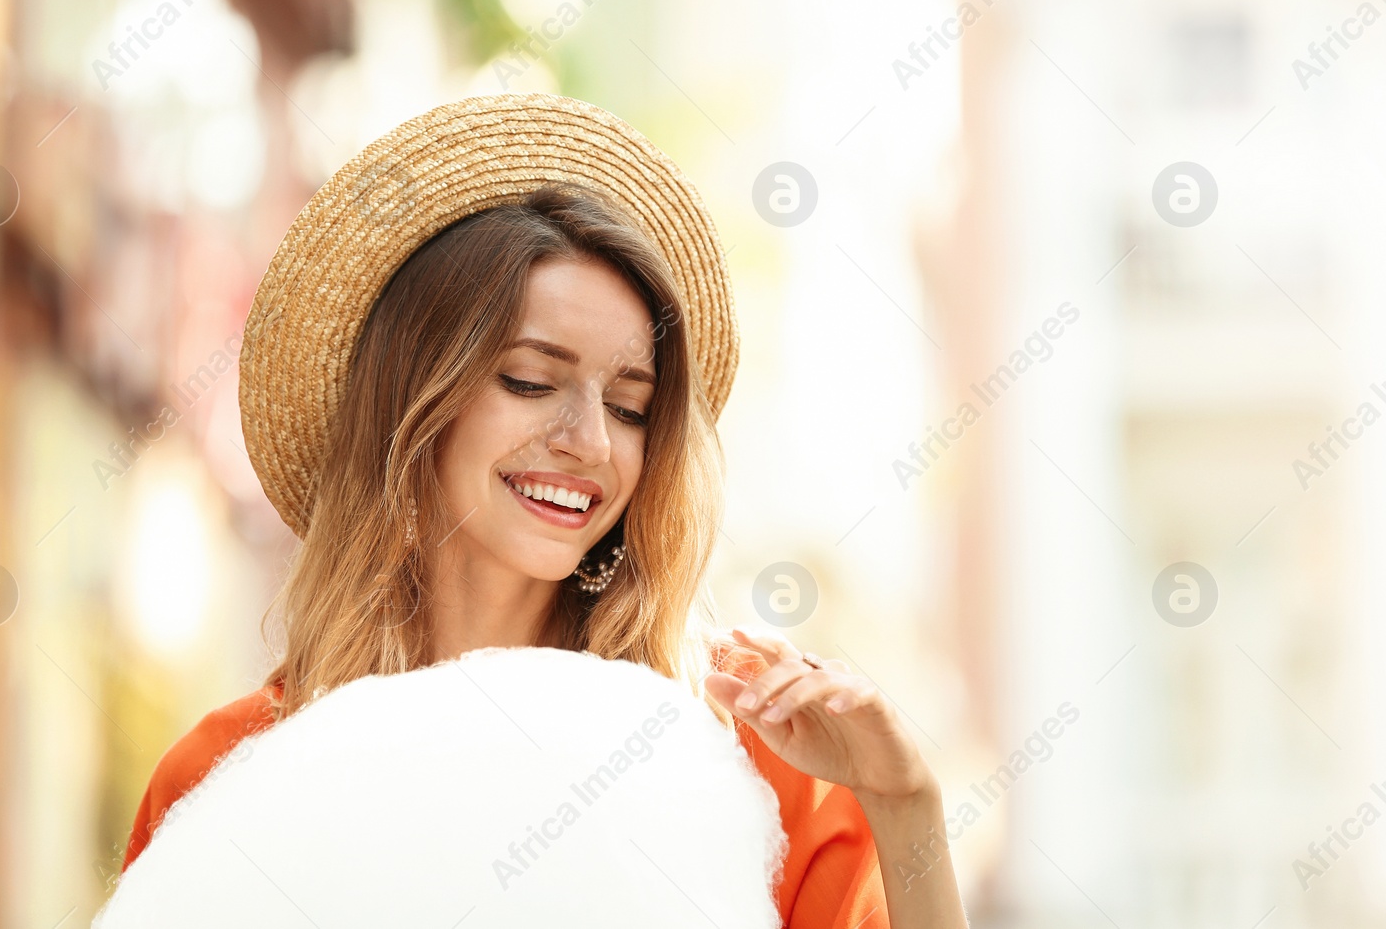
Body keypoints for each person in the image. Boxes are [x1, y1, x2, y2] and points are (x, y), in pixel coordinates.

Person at [121, 93, 968, 928]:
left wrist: (905, 804)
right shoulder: (221, 779)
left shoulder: (758, 767)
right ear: (414, 400)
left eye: (632, 406)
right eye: (530, 380)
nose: (592, 441)